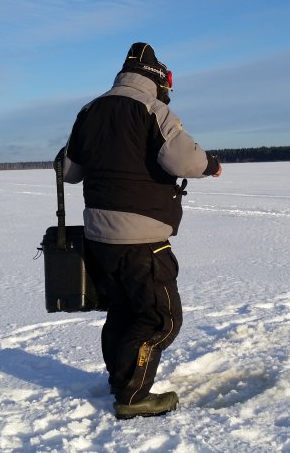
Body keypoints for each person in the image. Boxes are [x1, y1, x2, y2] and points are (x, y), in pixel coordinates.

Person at [62, 42, 221, 420]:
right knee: (161, 319)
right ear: (159, 79)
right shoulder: (153, 110)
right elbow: (184, 159)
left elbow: (68, 171)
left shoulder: (90, 110)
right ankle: (132, 396)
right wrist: (211, 165)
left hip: (99, 237)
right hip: (141, 237)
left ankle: (120, 380)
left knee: (123, 311)